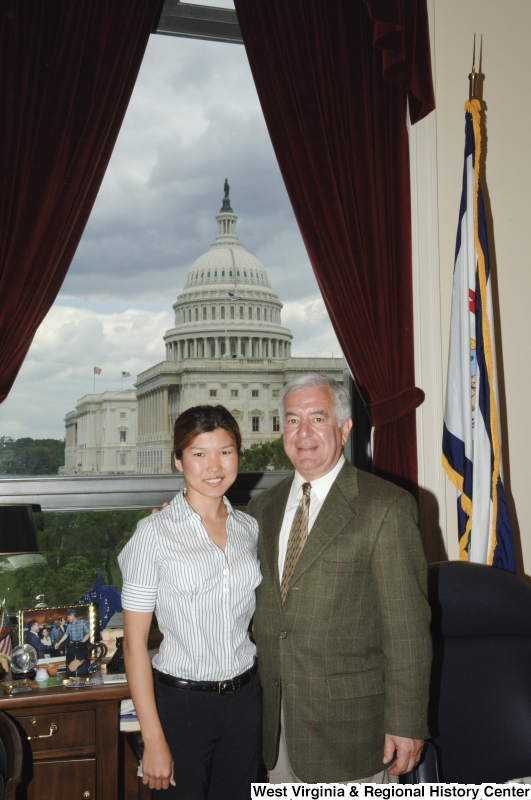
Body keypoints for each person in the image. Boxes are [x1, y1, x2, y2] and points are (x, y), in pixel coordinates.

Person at [247, 373, 432, 784]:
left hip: (354, 737)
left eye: (317, 417)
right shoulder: (262, 509)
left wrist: (408, 722)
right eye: (293, 420)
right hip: (276, 735)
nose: (304, 433)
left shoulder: (386, 506)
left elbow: (407, 630)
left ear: (345, 428)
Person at [118, 405, 262, 798]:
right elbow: (133, 645)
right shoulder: (153, 534)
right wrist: (154, 739)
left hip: (247, 700)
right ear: (179, 460)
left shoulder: (250, 530)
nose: (214, 466)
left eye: (225, 451)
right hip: (181, 707)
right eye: (199, 453)